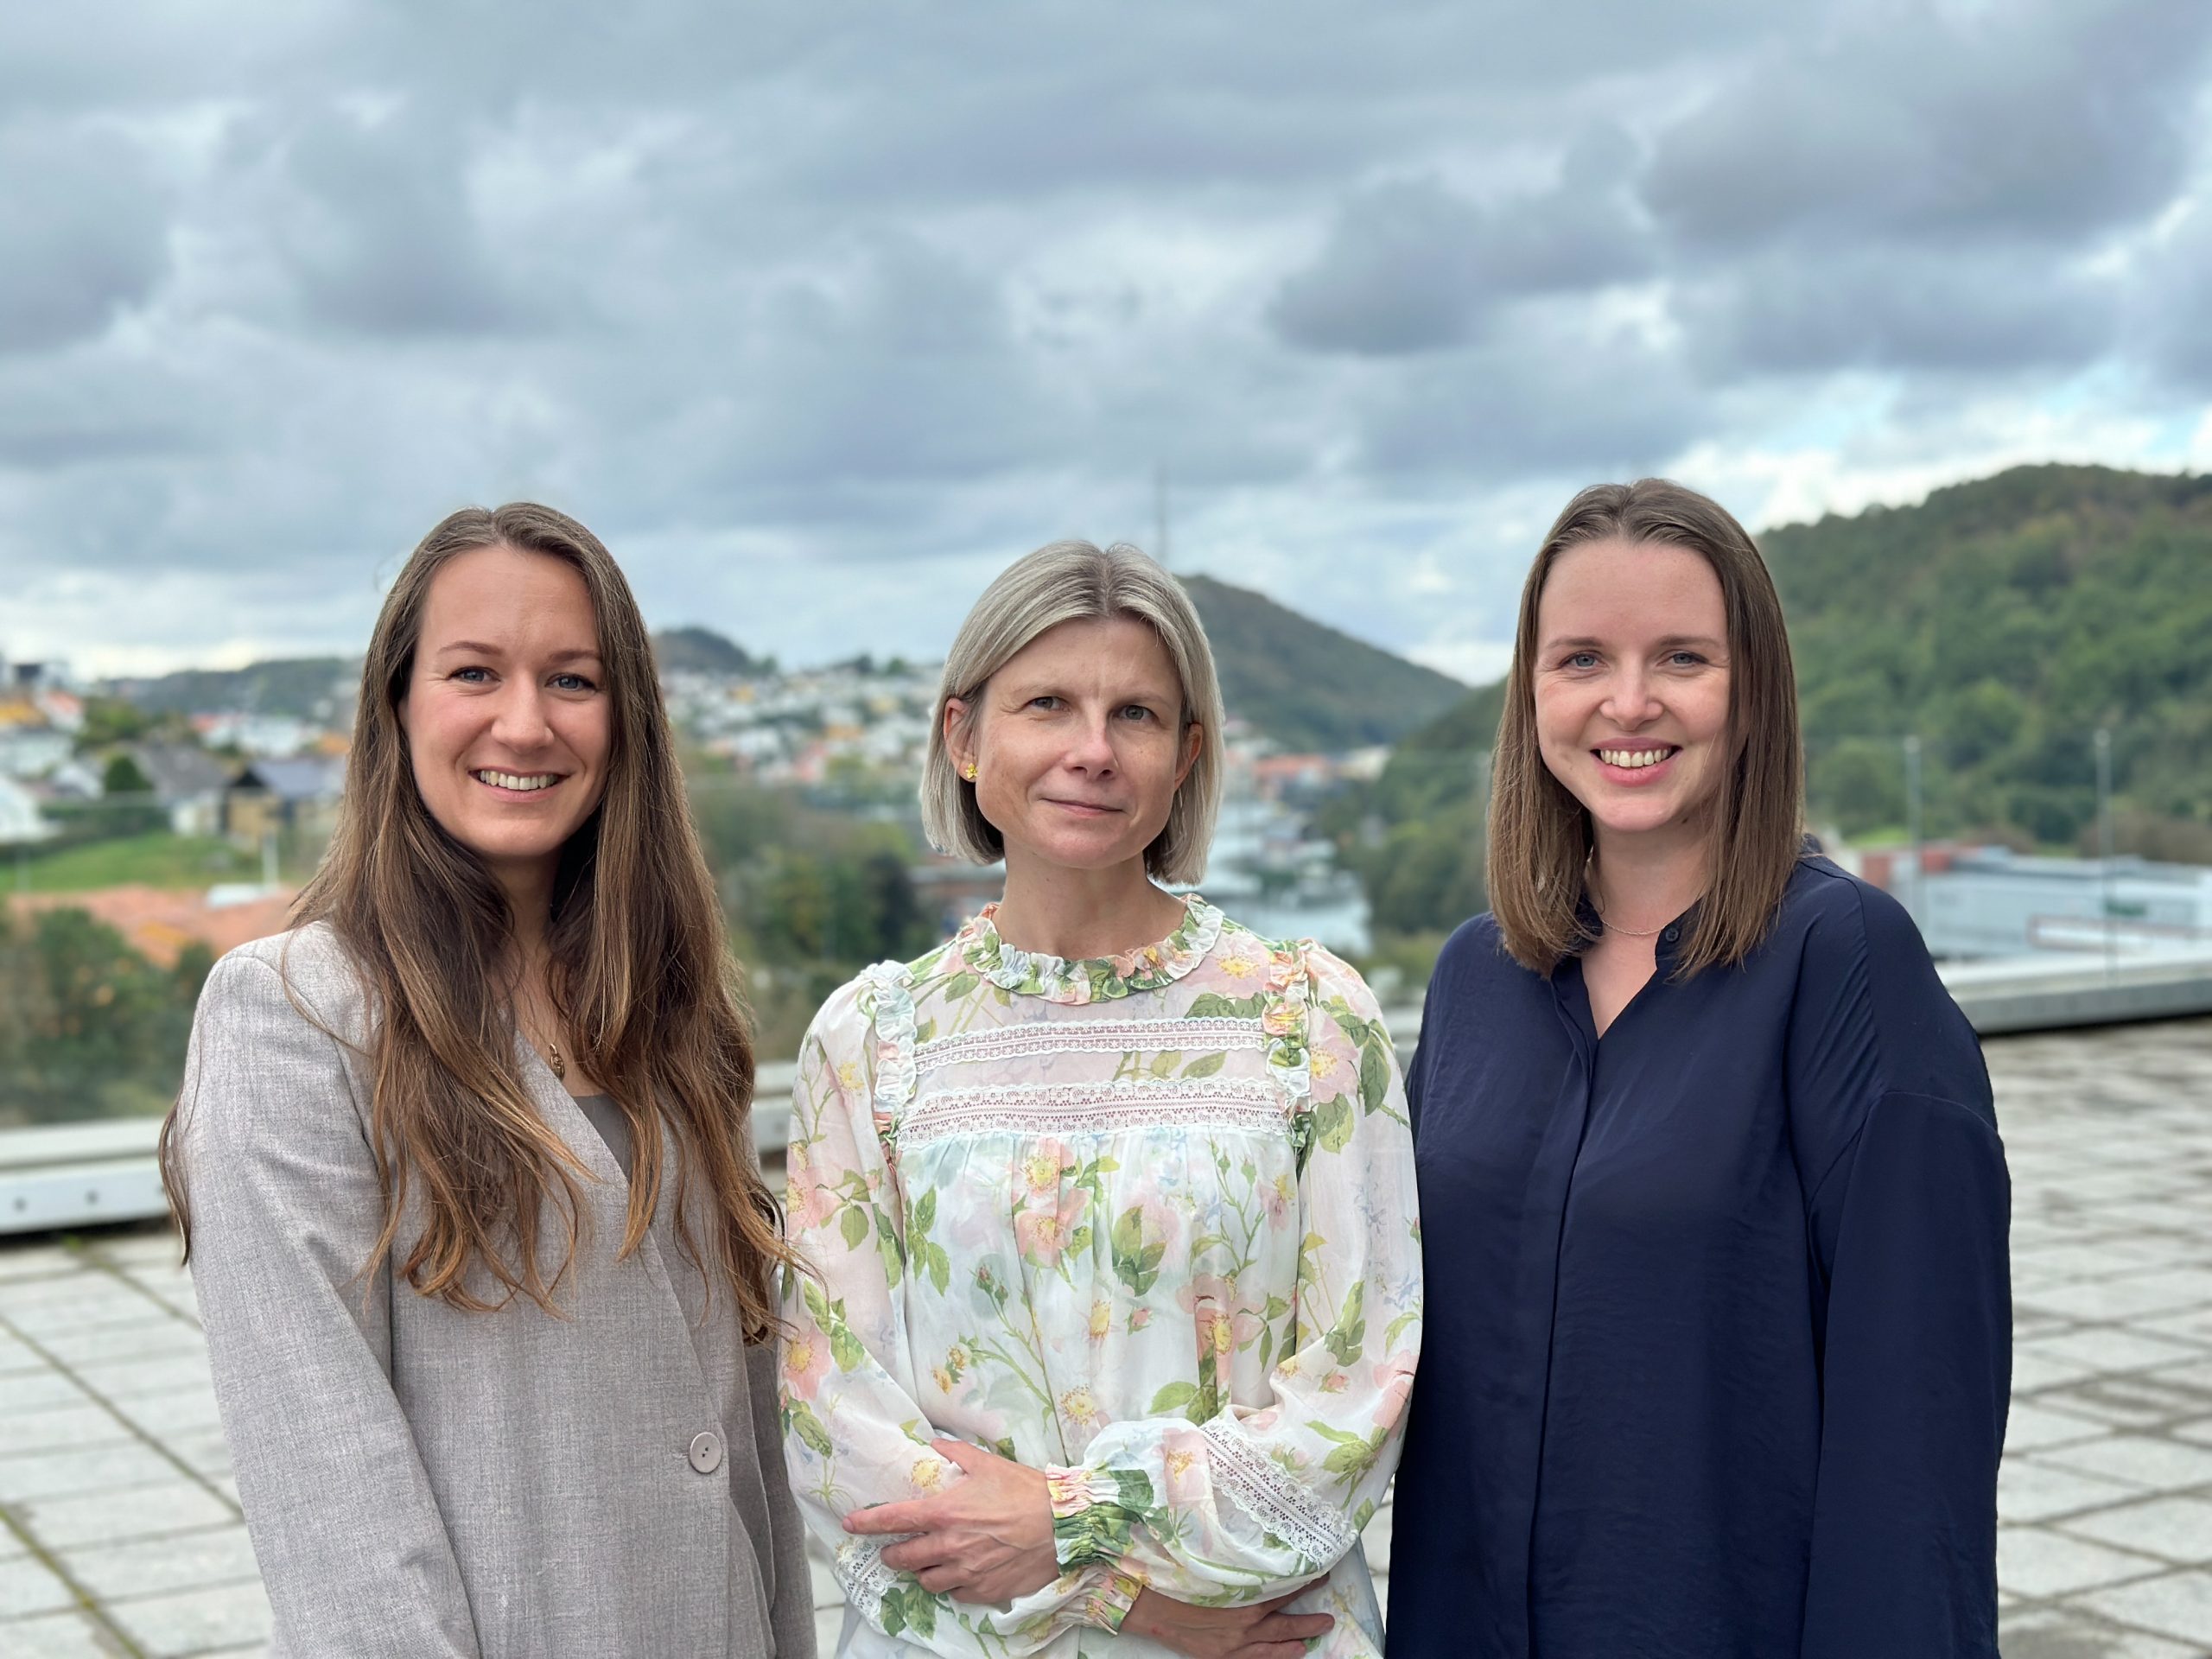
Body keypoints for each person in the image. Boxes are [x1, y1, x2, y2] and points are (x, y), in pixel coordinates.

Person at [161, 503, 815, 1657]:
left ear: (628, 723)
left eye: (573, 680)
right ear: (398, 703)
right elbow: (331, 1493)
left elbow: (741, 1443)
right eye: (474, 672)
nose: (525, 723)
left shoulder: (675, 1019)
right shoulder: (298, 1016)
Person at [1386, 480, 2010, 1658]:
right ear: (1532, 693)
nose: (1630, 703)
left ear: (1755, 690)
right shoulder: (1476, 979)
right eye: (1581, 660)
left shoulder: (1849, 967)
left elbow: (1918, 1436)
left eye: (1683, 658)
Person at [779, 540, 1421, 1658]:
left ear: (1187, 755)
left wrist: (1066, 1522)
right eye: (1047, 705)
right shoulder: (870, 1044)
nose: (1091, 750)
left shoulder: (1310, 1022)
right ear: (964, 736)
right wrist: (1135, 1602)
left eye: (1134, 714)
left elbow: (1360, 1392)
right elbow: (836, 1423)